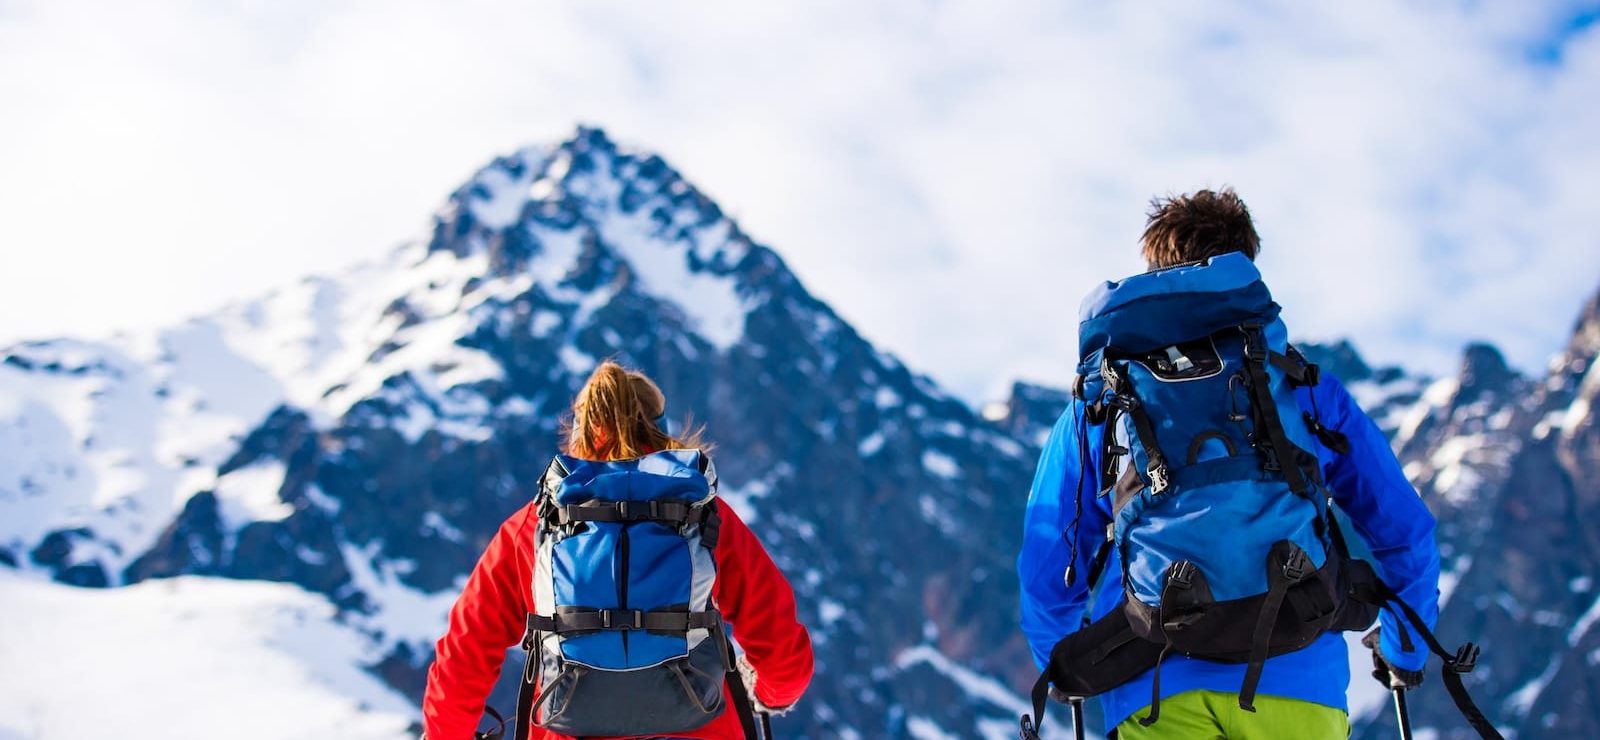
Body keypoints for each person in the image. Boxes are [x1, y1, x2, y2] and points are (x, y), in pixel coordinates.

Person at [1017, 189, 1440, 738]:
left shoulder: (1103, 400)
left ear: (1155, 270)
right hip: (1298, 684)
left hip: (1153, 690)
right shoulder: (1296, 384)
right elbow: (1402, 527)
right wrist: (1405, 649)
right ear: (1243, 265)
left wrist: (1065, 666)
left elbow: (1050, 561)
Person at [423, 361, 813, 740]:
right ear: (661, 431)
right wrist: (767, 695)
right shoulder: (703, 515)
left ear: (578, 434)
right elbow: (783, 652)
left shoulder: (535, 526)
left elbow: (465, 653)